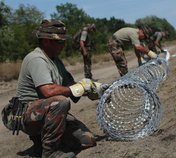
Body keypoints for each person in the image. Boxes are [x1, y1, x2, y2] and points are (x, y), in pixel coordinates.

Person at [1, 19, 108, 158]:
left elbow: (71, 86)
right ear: (46, 41)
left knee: (87, 140)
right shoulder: (36, 59)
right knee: (61, 102)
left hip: (47, 112)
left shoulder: (56, 60)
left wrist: (90, 89)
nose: (63, 45)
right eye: (60, 42)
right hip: (27, 114)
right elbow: (48, 91)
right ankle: (50, 152)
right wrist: (79, 88)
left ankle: (41, 144)